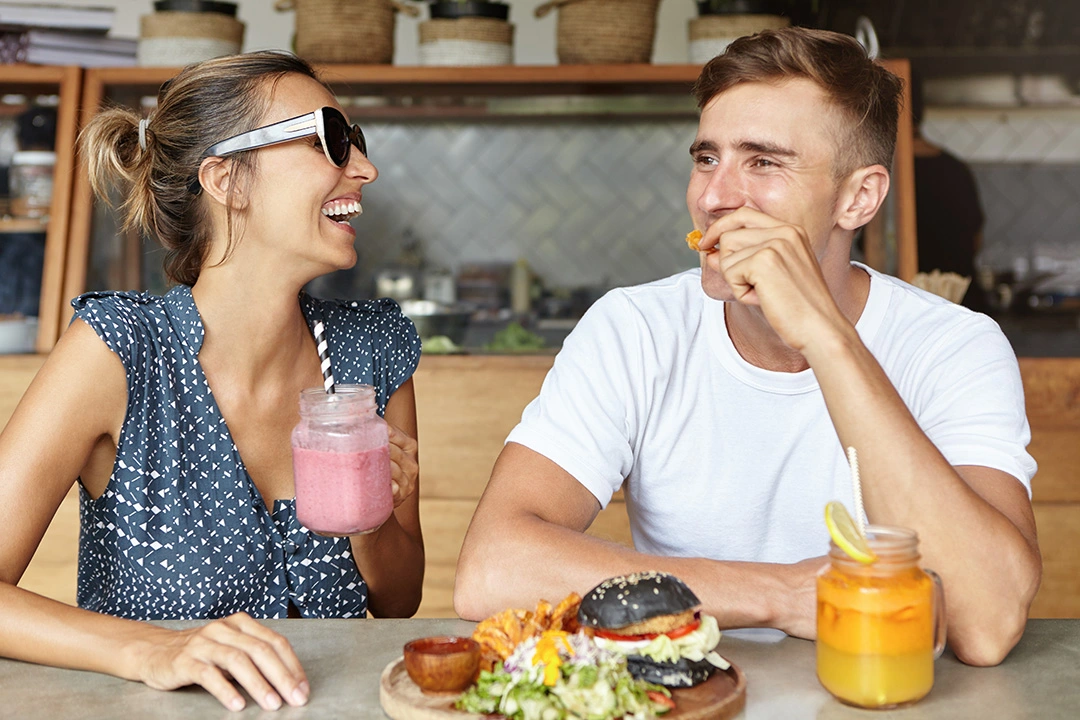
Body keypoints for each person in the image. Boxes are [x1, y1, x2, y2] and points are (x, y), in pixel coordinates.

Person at [455, 27, 1040, 667]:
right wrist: (783, 594)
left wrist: (826, 338)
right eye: (707, 158)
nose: (712, 197)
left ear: (859, 197)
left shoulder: (955, 346)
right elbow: (492, 567)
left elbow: (986, 623)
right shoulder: (636, 329)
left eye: (763, 162)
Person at [0, 51, 424, 711]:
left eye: (356, 145)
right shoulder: (119, 352)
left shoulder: (372, 353)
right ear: (227, 179)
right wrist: (151, 649)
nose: (364, 169)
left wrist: (370, 521)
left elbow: (398, 604)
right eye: (330, 142)